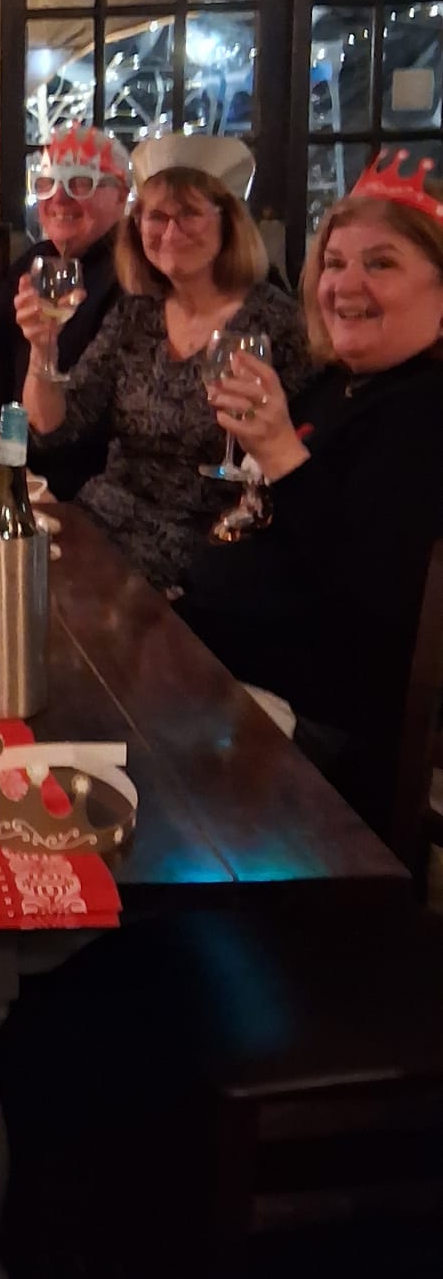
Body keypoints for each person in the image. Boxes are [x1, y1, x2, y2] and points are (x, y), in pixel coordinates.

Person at [177, 149, 443, 831]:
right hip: (224, 661)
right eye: (335, 262)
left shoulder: (426, 408)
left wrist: (278, 452)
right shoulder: (339, 384)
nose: (345, 284)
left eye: (381, 263)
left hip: (317, 728)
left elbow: (377, 595)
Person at [18, 160, 310, 591]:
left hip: (205, 552)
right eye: (156, 216)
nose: (171, 232)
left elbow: (296, 474)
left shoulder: (275, 322)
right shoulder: (137, 312)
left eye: (189, 213)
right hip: (100, 523)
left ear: (229, 222)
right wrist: (42, 349)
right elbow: (52, 427)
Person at [0, 125, 130, 492]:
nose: (59, 199)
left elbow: (91, 427)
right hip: (14, 462)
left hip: (76, 487)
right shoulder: (37, 262)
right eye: (47, 184)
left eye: (80, 183)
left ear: (121, 195)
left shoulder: (132, 280)